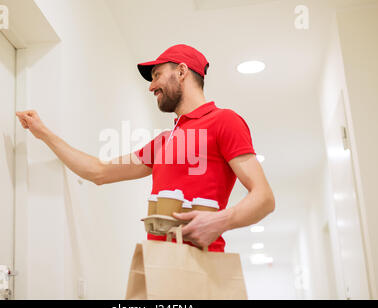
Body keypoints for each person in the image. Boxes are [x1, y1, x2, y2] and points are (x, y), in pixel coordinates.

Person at [16, 44, 275, 252]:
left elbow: (264, 199)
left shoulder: (224, 121)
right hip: (158, 262)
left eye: (157, 75)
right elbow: (98, 171)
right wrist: (44, 133)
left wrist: (220, 221)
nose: (151, 86)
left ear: (182, 71)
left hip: (202, 265)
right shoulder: (164, 140)